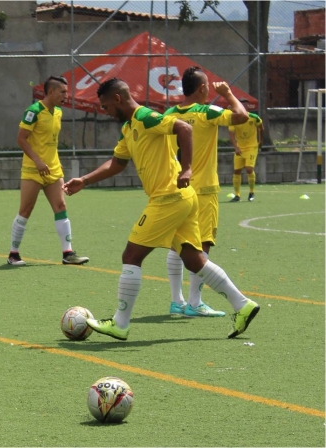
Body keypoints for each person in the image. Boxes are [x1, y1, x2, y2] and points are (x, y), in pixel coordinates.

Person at [63, 78, 259, 341]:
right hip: (182, 198)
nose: (105, 111)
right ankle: (242, 304)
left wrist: (187, 168)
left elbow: (184, 129)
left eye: (106, 105)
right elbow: (117, 163)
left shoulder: (145, 116)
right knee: (194, 258)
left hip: (168, 199)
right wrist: (84, 180)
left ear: (118, 99)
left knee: (131, 254)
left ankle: (120, 324)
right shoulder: (129, 127)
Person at [163, 67, 248, 318]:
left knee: (177, 245)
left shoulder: (168, 114)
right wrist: (229, 94)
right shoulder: (205, 111)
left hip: (176, 188)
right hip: (204, 189)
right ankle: (194, 302)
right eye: (208, 86)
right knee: (201, 247)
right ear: (202, 89)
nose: (210, 89)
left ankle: (176, 301)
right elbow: (241, 116)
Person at [7, 76, 89, 267]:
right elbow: (21, 139)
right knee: (25, 210)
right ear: (50, 92)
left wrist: (54, 164)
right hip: (33, 170)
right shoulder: (33, 111)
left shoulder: (58, 112)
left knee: (61, 207)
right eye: (62, 92)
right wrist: (37, 161)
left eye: (66, 92)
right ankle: (13, 254)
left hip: (53, 169)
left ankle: (68, 253)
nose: (66, 96)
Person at [229, 100, 263, 202]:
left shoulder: (254, 117)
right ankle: (237, 195)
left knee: (249, 169)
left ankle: (251, 192)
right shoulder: (234, 119)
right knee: (236, 171)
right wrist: (236, 147)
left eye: (243, 106)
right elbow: (231, 134)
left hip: (252, 147)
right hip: (240, 148)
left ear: (247, 107)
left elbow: (261, 128)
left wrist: (261, 141)